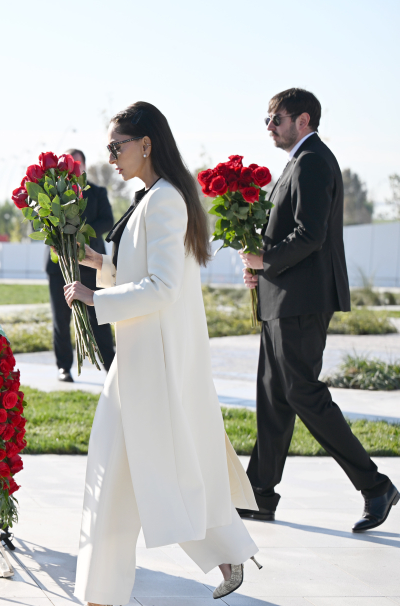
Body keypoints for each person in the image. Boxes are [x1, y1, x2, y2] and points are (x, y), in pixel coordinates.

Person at [64, 102, 260, 605]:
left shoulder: (167, 199)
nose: (110, 157)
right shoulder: (151, 198)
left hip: (151, 367)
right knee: (127, 478)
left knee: (144, 474)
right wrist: (98, 264)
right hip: (136, 363)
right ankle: (104, 591)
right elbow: (138, 272)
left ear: (145, 144)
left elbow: (164, 287)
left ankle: (103, 592)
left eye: (116, 146)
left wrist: (94, 297)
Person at [239, 88, 397, 531]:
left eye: (276, 119)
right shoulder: (297, 161)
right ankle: (260, 495)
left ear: (303, 120)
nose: (269, 126)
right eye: (267, 119)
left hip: (302, 302)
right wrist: (261, 269)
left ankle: (375, 486)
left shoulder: (312, 161)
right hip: (281, 299)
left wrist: (266, 262)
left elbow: (311, 235)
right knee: (273, 400)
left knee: (303, 394)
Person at [45, 149, 116, 382]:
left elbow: (108, 220)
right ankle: (63, 367)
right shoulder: (50, 195)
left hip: (92, 264)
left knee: (99, 316)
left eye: (76, 163)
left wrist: (79, 232)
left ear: (84, 167)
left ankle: (111, 369)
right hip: (60, 267)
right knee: (61, 320)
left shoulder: (97, 193)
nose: (71, 167)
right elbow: (40, 227)